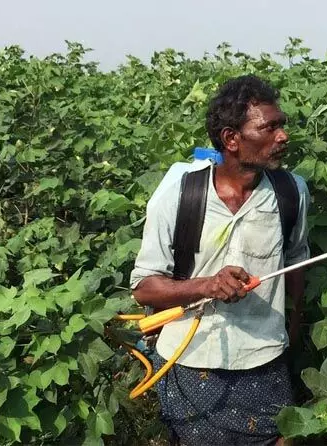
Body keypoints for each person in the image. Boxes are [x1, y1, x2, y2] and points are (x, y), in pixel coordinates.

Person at [129, 74, 310, 446]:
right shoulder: (180, 195)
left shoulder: (292, 193)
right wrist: (207, 285)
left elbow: (296, 261)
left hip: (264, 360)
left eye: (282, 125)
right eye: (269, 128)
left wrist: (294, 325)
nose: (283, 136)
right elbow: (144, 288)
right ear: (231, 139)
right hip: (189, 362)